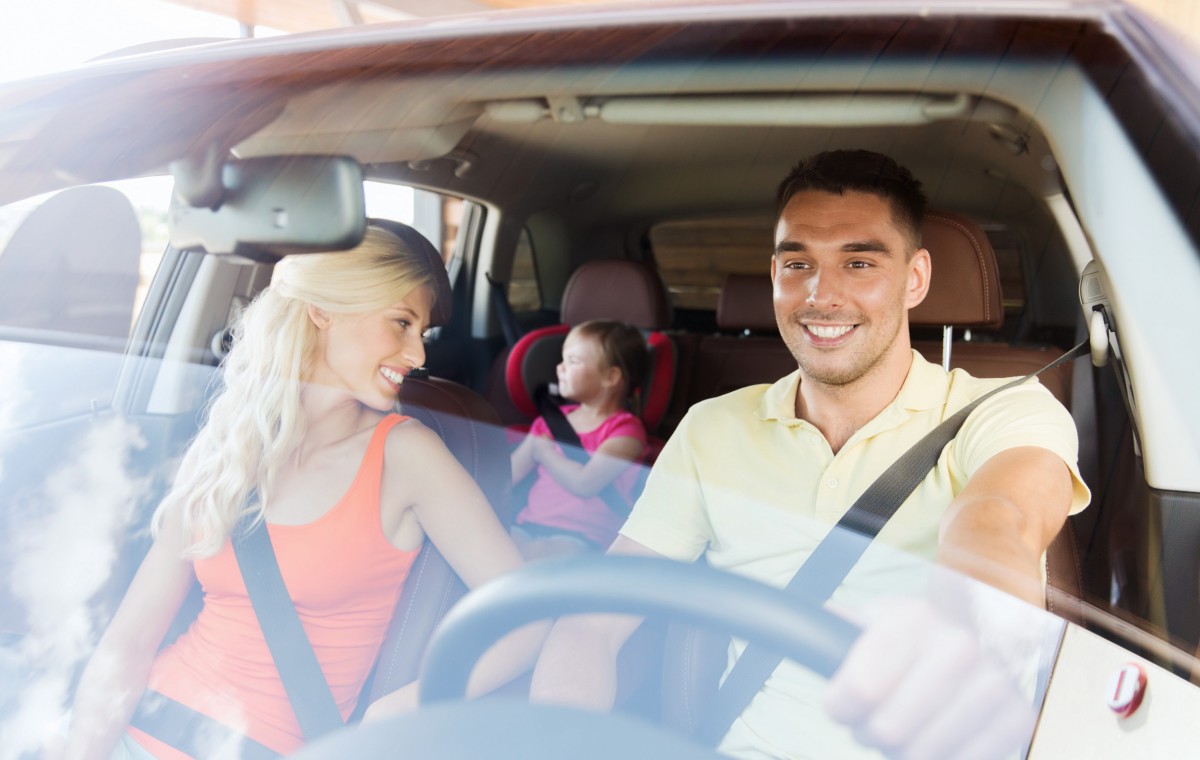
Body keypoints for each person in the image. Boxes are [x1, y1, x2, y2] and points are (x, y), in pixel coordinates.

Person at [530, 150, 1091, 759]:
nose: (822, 295)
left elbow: (1000, 517)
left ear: (916, 278)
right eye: (799, 263)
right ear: (774, 273)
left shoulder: (1005, 409)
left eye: (859, 262)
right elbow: (593, 619)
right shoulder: (713, 428)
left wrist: (963, 617)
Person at [60, 226, 534, 759]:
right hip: (133, 728)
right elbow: (127, 644)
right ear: (323, 310)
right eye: (401, 322)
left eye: (420, 331)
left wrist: (402, 709)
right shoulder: (227, 446)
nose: (417, 354)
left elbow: (529, 615)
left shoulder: (406, 456)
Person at [509, 320, 649, 559]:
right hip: (527, 527)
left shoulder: (626, 433)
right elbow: (507, 476)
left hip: (584, 539)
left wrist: (545, 453)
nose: (560, 368)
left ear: (610, 377)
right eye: (563, 360)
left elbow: (585, 485)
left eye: (572, 362)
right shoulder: (548, 423)